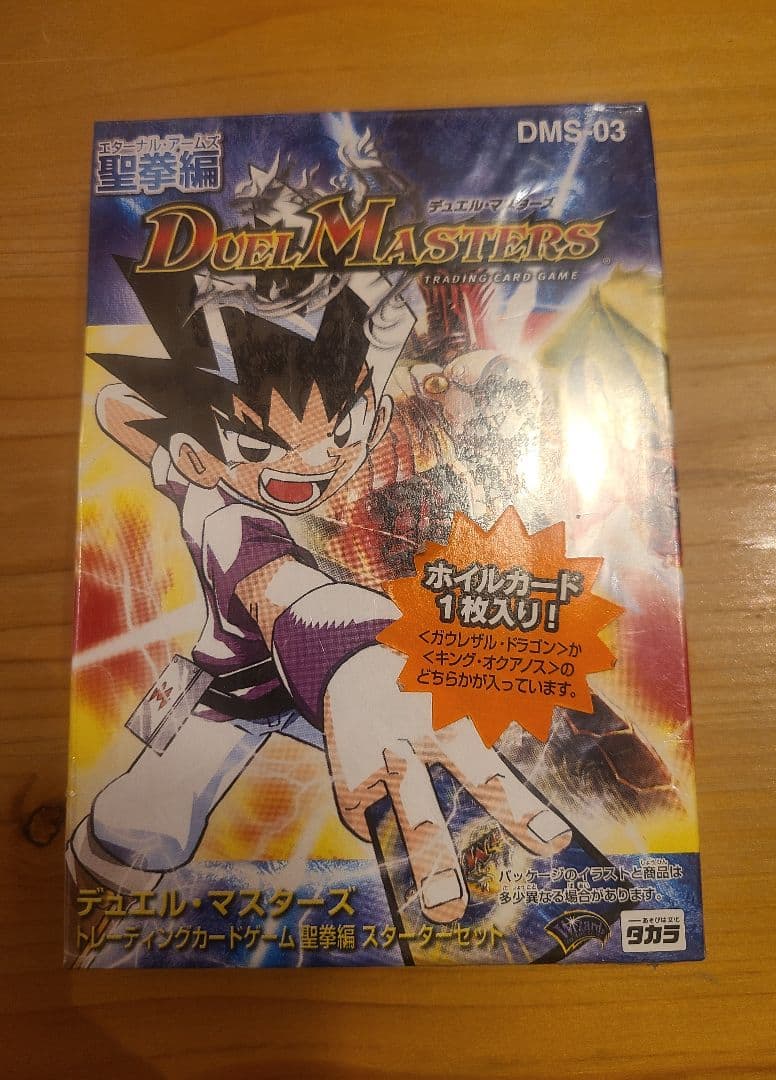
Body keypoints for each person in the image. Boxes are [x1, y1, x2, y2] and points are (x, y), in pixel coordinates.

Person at [67, 257, 571, 939]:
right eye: (265, 447)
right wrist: (357, 666)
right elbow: (290, 596)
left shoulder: (349, 441)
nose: (315, 462)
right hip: (239, 695)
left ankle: (491, 894)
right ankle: (81, 916)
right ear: (199, 456)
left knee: (426, 759)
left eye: (340, 432)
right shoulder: (224, 514)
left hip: (348, 690)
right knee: (139, 825)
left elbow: (120, 412)